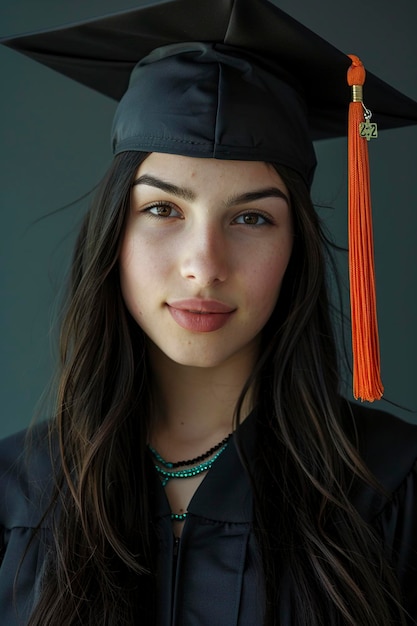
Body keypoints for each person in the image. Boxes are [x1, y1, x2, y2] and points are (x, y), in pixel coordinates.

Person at [1, 0, 417, 624]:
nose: (204, 264)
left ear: (294, 248)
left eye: (252, 218)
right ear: (113, 232)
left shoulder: (392, 484)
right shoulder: (14, 492)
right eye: (163, 210)